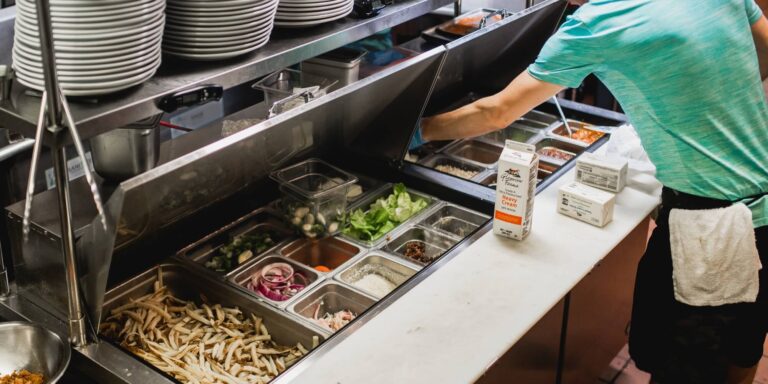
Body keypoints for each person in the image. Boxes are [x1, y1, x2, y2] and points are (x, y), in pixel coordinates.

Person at [414, 1, 768, 383]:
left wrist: (414, 131)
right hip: (761, 202)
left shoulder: (598, 24)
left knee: (686, 368)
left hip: (711, 233)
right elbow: (764, 50)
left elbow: (497, 113)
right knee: (742, 350)